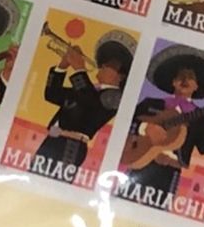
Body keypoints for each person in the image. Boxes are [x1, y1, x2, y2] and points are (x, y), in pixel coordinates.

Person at [118, 46, 204, 205]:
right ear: (173, 82)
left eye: (190, 77)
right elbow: (127, 122)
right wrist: (145, 127)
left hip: (169, 170)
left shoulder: (201, 118)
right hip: (140, 160)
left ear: (196, 86)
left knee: (158, 209)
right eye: (181, 77)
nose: (185, 80)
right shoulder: (151, 104)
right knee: (122, 200)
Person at [31, 31, 133, 175]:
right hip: (53, 140)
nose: (103, 65)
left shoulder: (115, 97)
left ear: (121, 76)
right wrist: (62, 66)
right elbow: (52, 95)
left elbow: (89, 102)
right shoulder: (87, 89)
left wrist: (79, 68)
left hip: (71, 146)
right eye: (104, 62)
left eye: (110, 65)